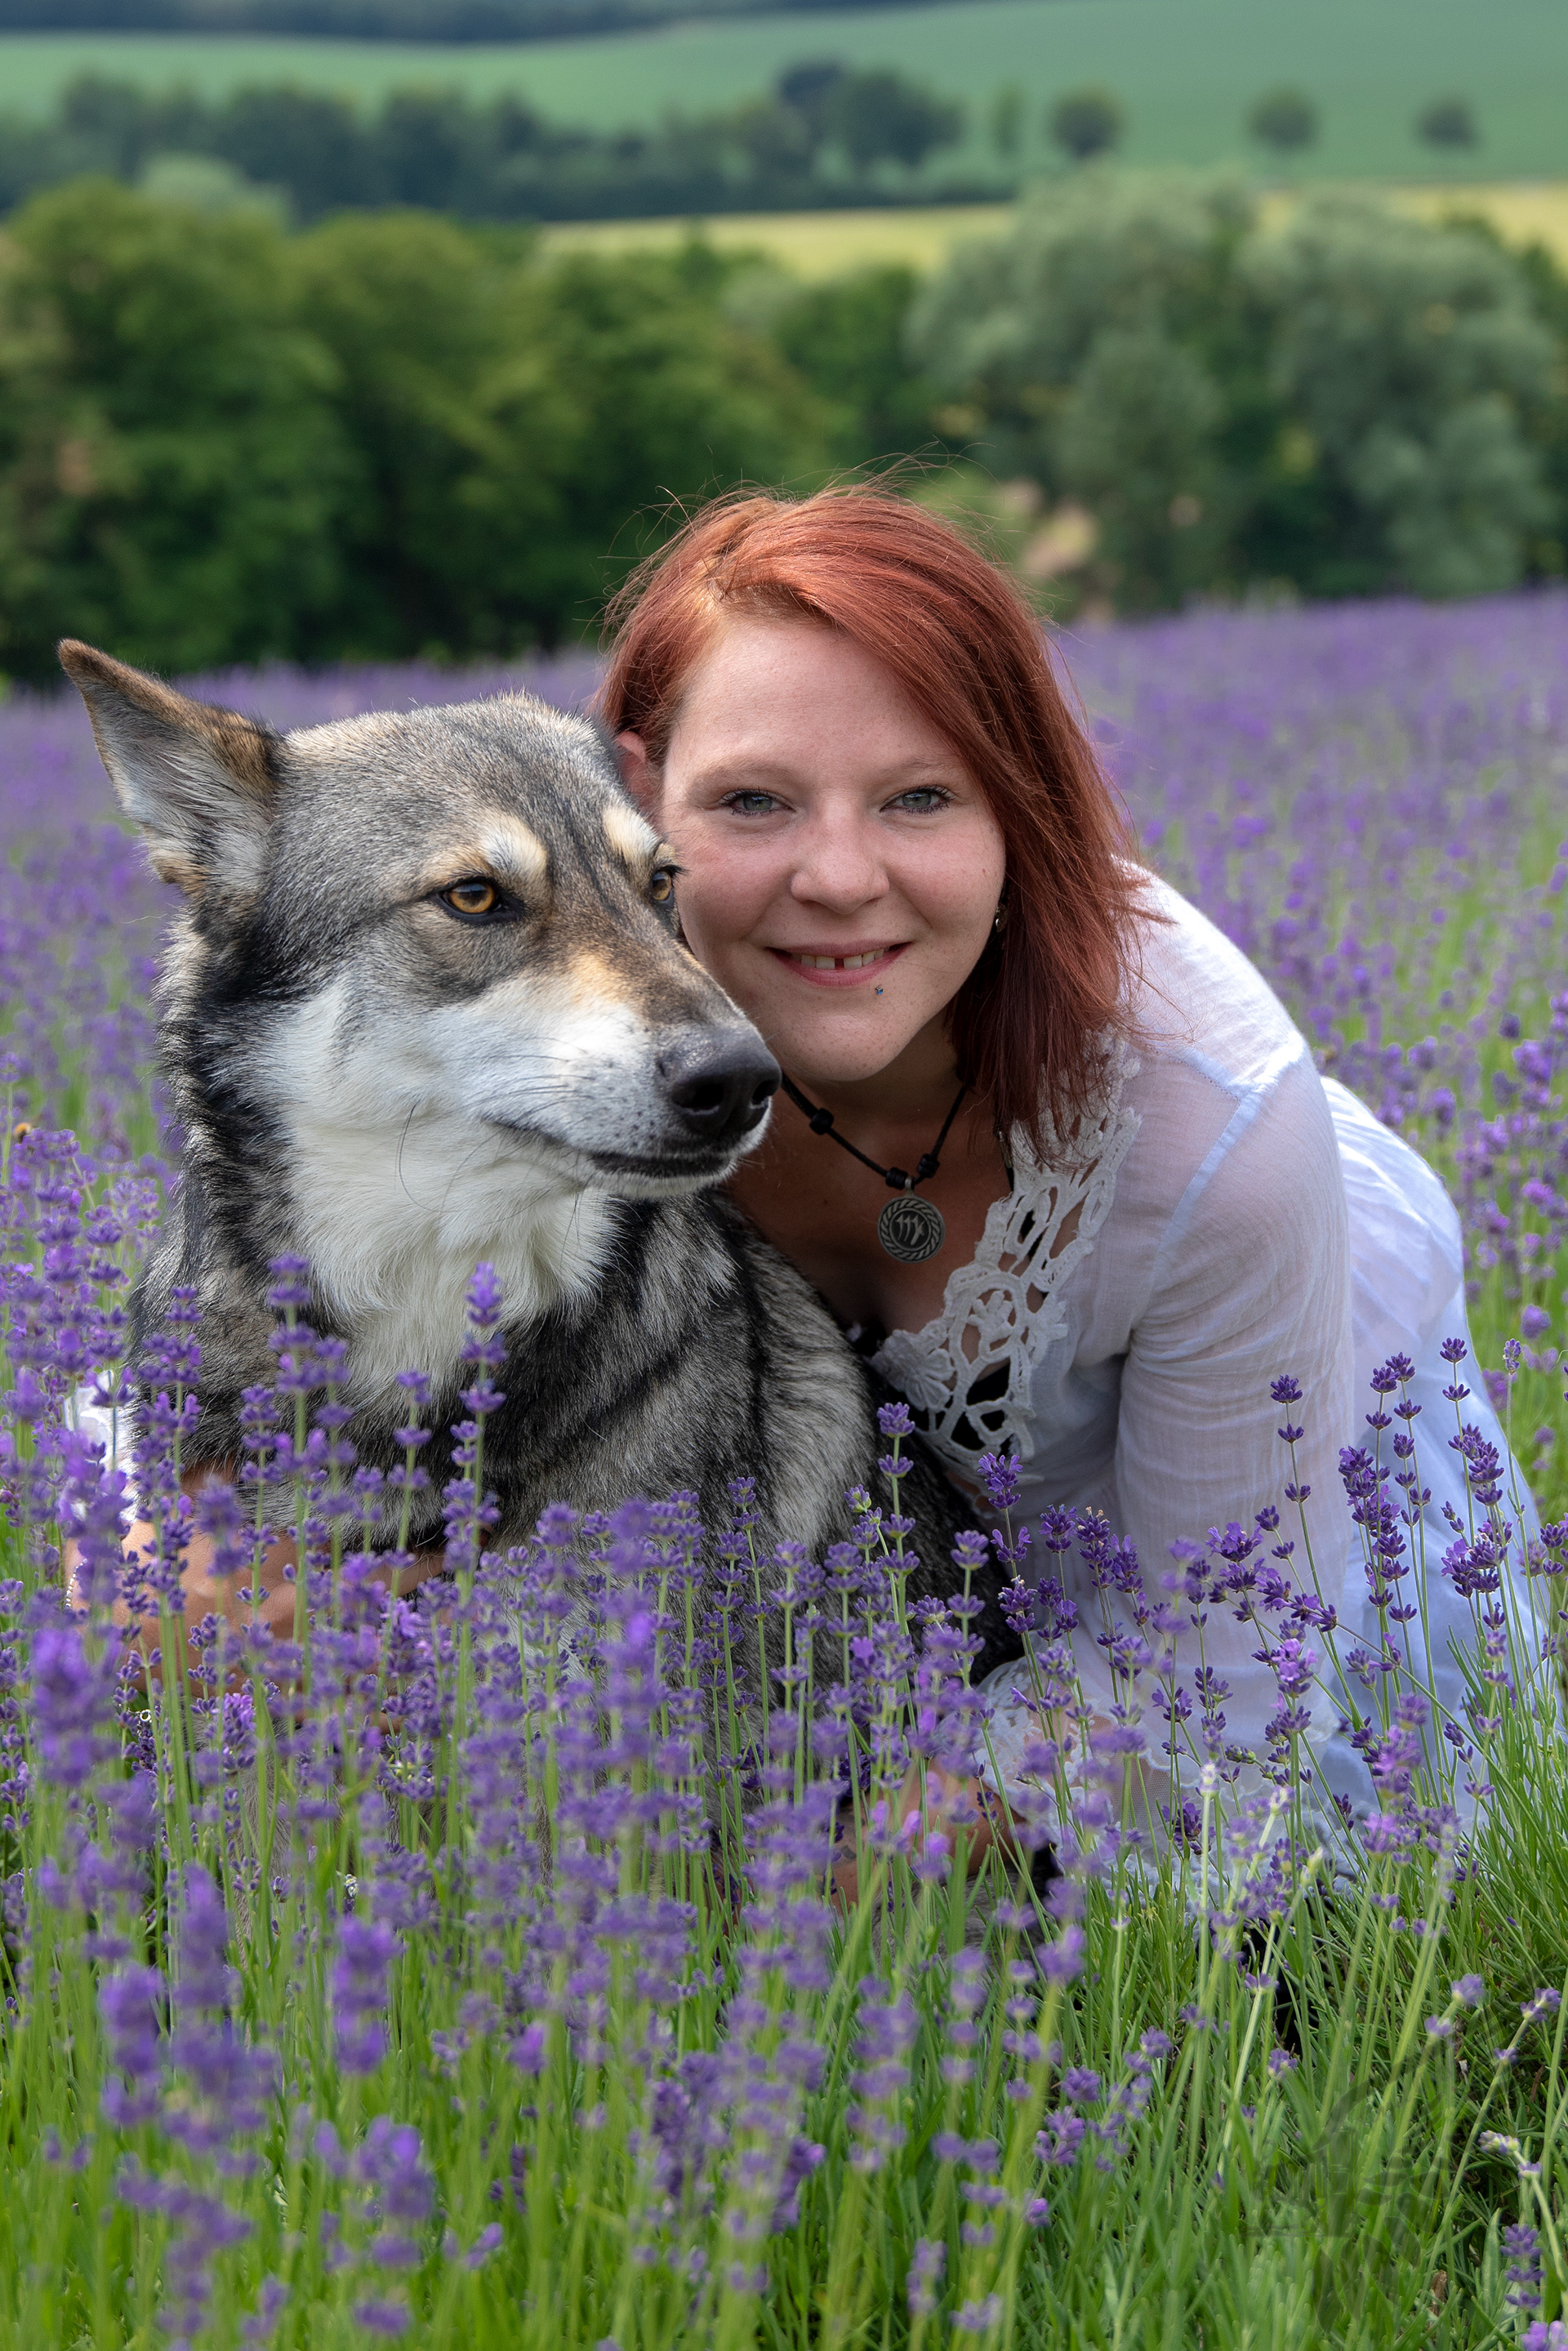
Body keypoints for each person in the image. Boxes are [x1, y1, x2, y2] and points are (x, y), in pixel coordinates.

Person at [599, 486, 1542, 1839]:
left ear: (1016, 805)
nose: (840, 877)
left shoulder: (1206, 1132)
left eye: (921, 796)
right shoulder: (560, 1038)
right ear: (639, 798)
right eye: (753, 801)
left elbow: (1218, 1685)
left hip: (1255, 1577)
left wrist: (828, 1879)